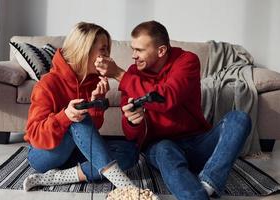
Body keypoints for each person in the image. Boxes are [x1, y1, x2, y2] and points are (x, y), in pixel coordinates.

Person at [95, 20, 252, 200]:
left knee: (239, 118)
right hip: (160, 145)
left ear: (161, 50)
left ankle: (209, 183)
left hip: (197, 141)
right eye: (133, 49)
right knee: (164, 149)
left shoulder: (187, 61)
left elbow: (167, 98)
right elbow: (131, 135)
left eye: (139, 50)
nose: (133, 56)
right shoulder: (133, 73)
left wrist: (118, 74)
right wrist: (132, 121)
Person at [23, 22, 138, 191]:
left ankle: (62, 177)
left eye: (107, 50)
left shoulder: (93, 82)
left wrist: (96, 102)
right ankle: (126, 187)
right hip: (45, 155)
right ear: (85, 49)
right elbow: (35, 135)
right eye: (103, 49)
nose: (107, 56)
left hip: (74, 154)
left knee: (129, 152)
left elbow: (93, 129)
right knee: (78, 118)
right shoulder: (47, 84)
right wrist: (65, 117)